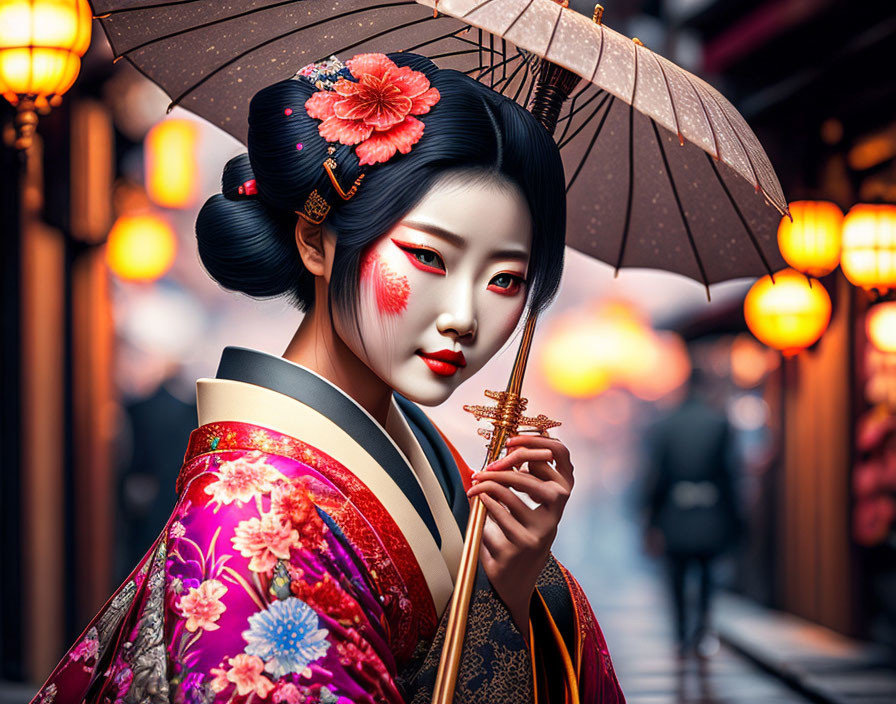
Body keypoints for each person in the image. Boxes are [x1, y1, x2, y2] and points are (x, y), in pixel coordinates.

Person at [30, 53, 624, 703]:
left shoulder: (422, 452)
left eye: (505, 279)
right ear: (317, 241)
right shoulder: (250, 517)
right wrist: (500, 603)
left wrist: (511, 583)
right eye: (428, 257)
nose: (464, 317)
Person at [642, 368, 743, 656]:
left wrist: (650, 519)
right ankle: (701, 631)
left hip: (674, 512)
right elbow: (729, 477)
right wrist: (736, 521)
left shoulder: (665, 425)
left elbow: (656, 477)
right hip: (711, 512)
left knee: (675, 576)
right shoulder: (719, 424)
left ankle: (680, 634)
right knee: (708, 577)